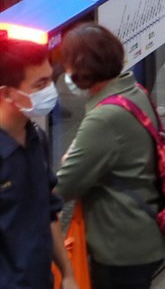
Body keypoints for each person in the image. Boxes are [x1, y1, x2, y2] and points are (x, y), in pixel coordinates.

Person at [54, 25, 165, 287]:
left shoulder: (104, 118)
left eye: (67, 65)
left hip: (121, 247)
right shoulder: (134, 92)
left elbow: (65, 185)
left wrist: (68, 161)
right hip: (146, 233)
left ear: (83, 68)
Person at [0, 37, 77, 289]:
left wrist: (67, 273)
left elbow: (47, 211)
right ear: (6, 93)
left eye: (50, 80)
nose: (50, 91)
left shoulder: (36, 138)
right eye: (40, 84)